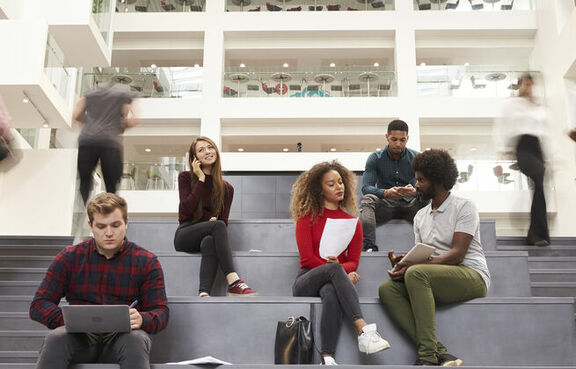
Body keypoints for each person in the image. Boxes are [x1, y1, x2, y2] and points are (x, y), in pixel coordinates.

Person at [29, 193, 169, 369]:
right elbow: (39, 305)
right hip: (78, 338)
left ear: (126, 223)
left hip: (123, 338)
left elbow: (161, 311)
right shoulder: (69, 257)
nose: (109, 233)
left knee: (136, 339)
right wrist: (70, 319)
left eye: (115, 225)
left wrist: (143, 319)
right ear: (91, 226)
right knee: (56, 338)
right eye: (101, 226)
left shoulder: (146, 261)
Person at [378, 149, 490, 366]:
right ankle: (440, 353)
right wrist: (404, 264)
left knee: (417, 273)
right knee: (387, 289)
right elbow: (424, 256)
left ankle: (427, 357)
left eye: (421, 180)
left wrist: (414, 266)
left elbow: (457, 254)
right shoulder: (420, 216)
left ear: (437, 180)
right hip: (434, 276)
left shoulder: (464, 207)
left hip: (472, 275)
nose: (416, 184)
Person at [291, 160, 391, 366]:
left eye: (340, 182)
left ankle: (327, 357)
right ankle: (363, 329)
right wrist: (337, 270)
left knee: (330, 291)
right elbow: (307, 259)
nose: (339, 187)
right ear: (319, 190)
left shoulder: (353, 223)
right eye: (331, 184)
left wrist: (339, 272)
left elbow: (353, 262)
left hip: (333, 282)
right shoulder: (306, 218)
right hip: (306, 281)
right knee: (333, 271)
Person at [174, 136, 257, 297]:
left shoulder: (227, 189)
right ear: (194, 159)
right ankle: (233, 281)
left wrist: (212, 224)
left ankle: (204, 292)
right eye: (201, 150)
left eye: (210, 147)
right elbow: (185, 211)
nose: (207, 152)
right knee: (217, 225)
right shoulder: (185, 177)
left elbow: (223, 222)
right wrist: (201, 180)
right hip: (185, 234)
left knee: (210, 240)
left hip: (207, 235)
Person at [493, 73, 551, 246]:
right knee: (538, 182)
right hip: (523, 146)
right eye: (526, 84)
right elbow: (501, 127)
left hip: (538, 148)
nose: (529, 88)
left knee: (539, 188)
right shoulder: (510, 104)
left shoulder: (539, 108)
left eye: (532, 85)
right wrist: (502, 149)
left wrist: (553, 156)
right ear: (520, 84)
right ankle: (537, 234)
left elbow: (546, 134)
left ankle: (537, 234)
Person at [359, 119, 428, 252]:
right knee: (367, 199)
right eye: (394, 139)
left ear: (407, 138)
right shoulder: (375, 158)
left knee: (428, 200)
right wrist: (386, 193)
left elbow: (425, 185)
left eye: (402, 140)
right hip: (386, 206)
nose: (398, 143)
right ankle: (369, 247)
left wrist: (415, 191)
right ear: (387, 137)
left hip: (411, 207)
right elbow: (366, 187)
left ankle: (428, 247)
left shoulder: (417, 158)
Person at [73, 83, 138, 204]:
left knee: (84, 182)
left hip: (87, 141)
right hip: (110, 143)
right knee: (111, 187)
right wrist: (119, 125)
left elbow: (76, 115)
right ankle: (110, 214)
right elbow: (132, 120)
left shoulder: (89, 94)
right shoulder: (122, 95)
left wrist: (90, 123)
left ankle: (84, 211)